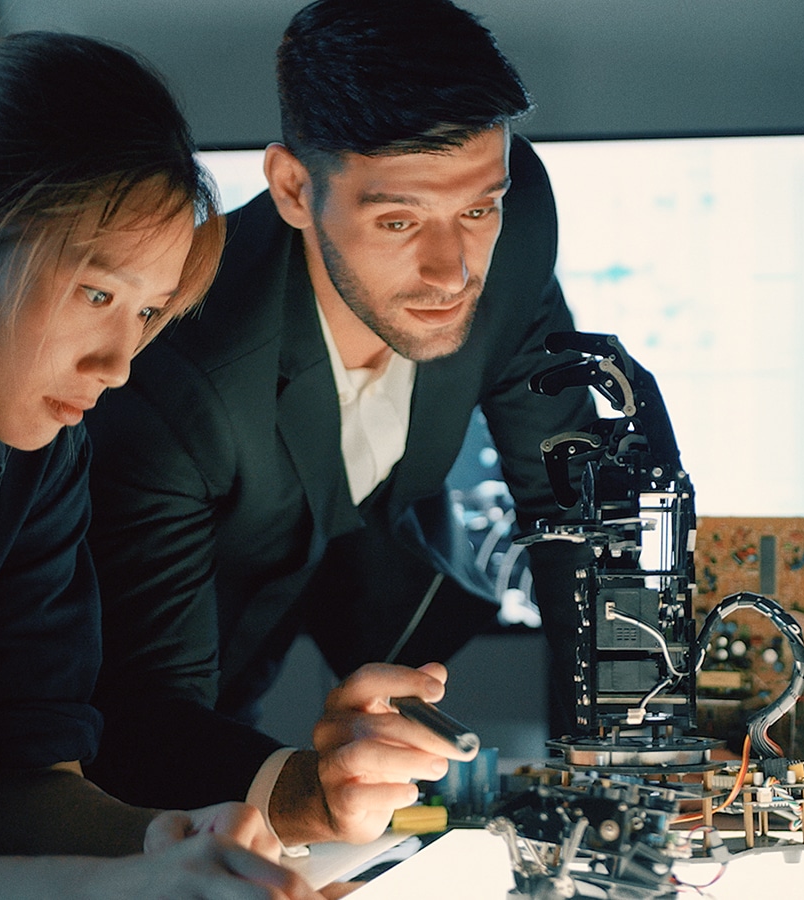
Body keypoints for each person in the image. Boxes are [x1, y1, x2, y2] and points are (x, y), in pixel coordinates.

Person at [0, 32, 319, 899]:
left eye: (148, 312)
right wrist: (95, 890)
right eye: (96, 294)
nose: (119, 364)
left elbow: (20, 781)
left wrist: (167, 841)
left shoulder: (32, 454)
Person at [82, 0, 595, 848]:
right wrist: (302, 792)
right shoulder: (178, 370)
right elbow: (141, 711)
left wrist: (611, 763)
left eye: (477, 209)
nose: (454, 269)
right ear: (292, 187)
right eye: (398, 221)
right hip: (170, 703)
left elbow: (573, 501)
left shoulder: (512, 230)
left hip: (376, 594)